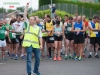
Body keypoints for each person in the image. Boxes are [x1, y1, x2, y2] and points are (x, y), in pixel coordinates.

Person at [22, 3, 42, 75]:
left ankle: (36, 71)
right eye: (29, 19)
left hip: (36, 45)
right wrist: (26, 7)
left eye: (31, 20)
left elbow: (40, 37)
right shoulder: (27, 25)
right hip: (29, 45)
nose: (30, 20)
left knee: (38, 59)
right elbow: (24, 16)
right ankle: (29, 72)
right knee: (29, 60)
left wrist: (41, 44)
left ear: (34, 21)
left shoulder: (38, 28)